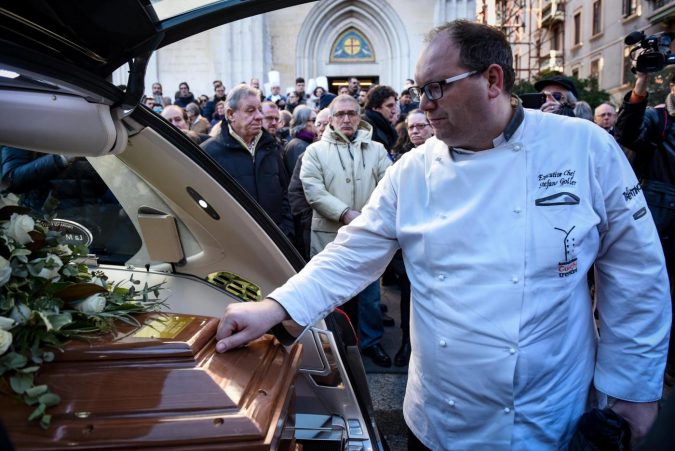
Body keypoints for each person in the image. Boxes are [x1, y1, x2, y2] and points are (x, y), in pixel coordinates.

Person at [214, 20, 670, 450]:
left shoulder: (584, 147)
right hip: (440, 416)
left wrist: (633, 388)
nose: (422, 104)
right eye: (418, 90)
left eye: (436, 88)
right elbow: (352, 254)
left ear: (492, 80)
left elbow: (635, 271)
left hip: (548, 410)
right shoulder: (412, 170)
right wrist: (276, 307)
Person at [299, 94, 392, 366]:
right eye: (340, 114)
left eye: (352, 113)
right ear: (331, 118)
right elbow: (313, 190)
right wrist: (346, 213)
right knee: (329, 295)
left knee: (371, 297)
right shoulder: (315, 151)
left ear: (359, 116)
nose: (347, 119)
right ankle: (333, 346)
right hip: (330, 236)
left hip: (369, 235)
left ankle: (371, 343)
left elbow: (389, 186)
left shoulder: (376, 149)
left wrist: (369, 217)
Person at [614, 70, 675, 386]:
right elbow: (624, 133)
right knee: (648, 290)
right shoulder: (657, 118)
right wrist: (640, 86)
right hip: (657, 218)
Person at [201, 84, 293, 239]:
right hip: (237, 245)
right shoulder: (209, 153)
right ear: (230, 114)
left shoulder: (271, 147)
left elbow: (285, 193)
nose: (259, 116)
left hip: (278, 243)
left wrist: (287, 230)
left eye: (259, 110)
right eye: (250, 111)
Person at [287, 108, 330, 261]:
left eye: (328, 123)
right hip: (314, 229)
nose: (323, 128)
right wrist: (309, 220)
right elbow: (296, 193)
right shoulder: (304, 152)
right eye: (319, 123)